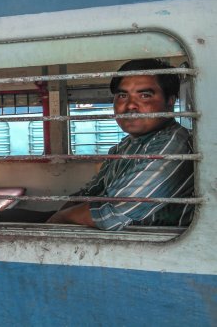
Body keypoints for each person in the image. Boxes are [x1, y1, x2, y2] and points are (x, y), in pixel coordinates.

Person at [45, 59, 194, 230]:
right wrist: (57, 216)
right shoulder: (127, 144)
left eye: (145, 95)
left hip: (147, 246)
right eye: (122, 96)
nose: (130, 105)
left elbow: (110, 215)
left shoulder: (173, 146)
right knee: (13, 216)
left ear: (170, 101)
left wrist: (57, 219)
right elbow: (91, 192)